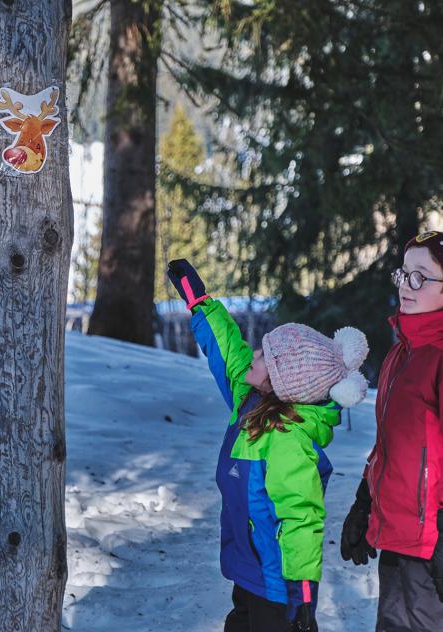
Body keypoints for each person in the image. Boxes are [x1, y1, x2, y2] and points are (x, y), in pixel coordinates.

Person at [167, 259, 369, 632]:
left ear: (280, 382)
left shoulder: (287, 439)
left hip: (280, 586)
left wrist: (304, 593)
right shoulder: (250, 400)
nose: (253, 355)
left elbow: (302, 516)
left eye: (263, 357)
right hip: (248, 572)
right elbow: (228, 350)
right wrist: (200, 301)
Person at [340, 230, 443, 632]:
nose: (407, 285)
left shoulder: (441, 356)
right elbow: (390, 443)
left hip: (434, 542)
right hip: (398, 535)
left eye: (421, 276)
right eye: (404, 274)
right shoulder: (401, 352)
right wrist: (365, 500)